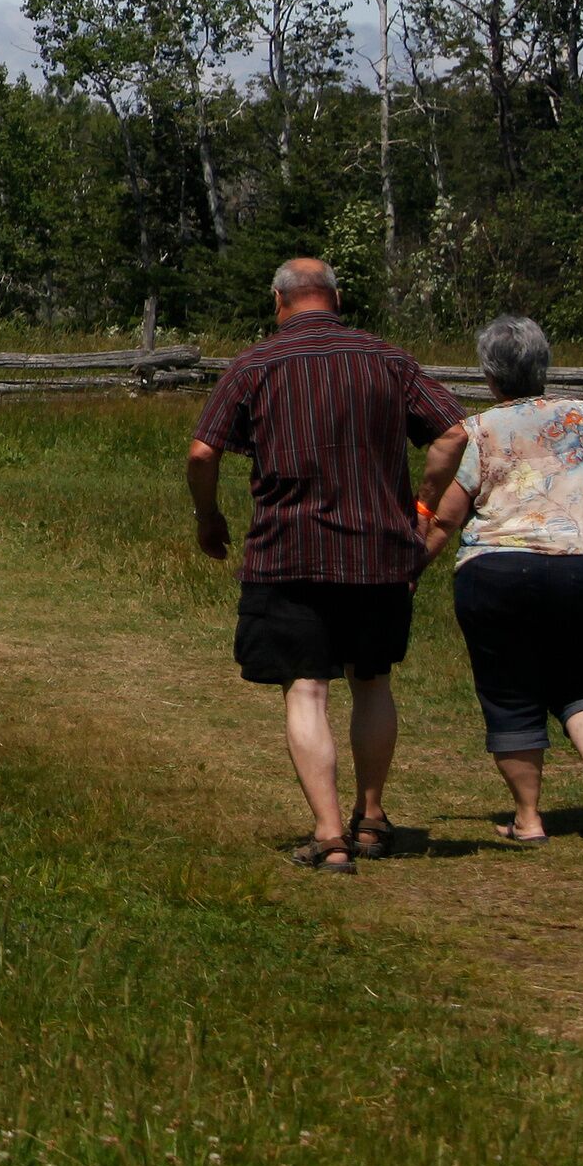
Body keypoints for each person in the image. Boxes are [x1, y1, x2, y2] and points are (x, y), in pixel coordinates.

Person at [187, 258, 469, 872]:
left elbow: (203, 450)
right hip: (378, 551)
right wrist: (421, 503)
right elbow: (453, 433)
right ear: (335, 298)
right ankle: (371, 818)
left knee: (307, 689)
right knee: (372, 681)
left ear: (279, 301)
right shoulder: (388, 360)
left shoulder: (256, 363)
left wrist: (209, 518)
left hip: (290, 550)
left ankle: (329, 833)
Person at [421, 316, 583, 846]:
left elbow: (446, 518)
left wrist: (410, 571)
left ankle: (529, 819)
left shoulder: (480, 430)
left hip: (496, 573)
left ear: (490, 375)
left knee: (509, 690)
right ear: (543, 365)